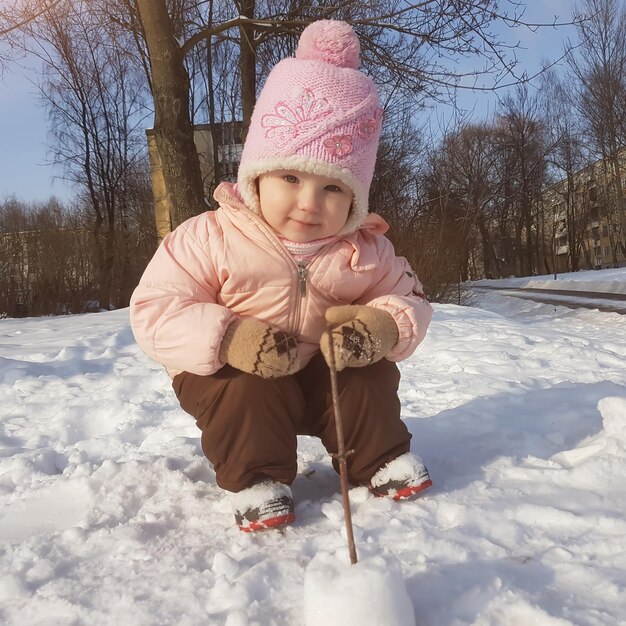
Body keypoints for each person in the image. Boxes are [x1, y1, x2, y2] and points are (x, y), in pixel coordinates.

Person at [130, 19, 433, 532]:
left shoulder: (366, 251)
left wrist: (382, 327)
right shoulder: (209, 236)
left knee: (366, 375)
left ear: (355, 197)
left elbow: (410, 298)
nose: (310, 203)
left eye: (333, 189)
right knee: (244, 389)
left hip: (320, 376)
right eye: (290, 178)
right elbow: (156, 309)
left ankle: (377, 458)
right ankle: (258, 480)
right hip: (234, 375)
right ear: (257, 175)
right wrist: (229, 336)